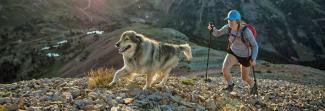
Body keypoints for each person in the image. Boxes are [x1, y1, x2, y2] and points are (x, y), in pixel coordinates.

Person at [208, 10, 258, 94]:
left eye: (231, 20)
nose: (229, 22)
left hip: (245, 55)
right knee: (225, 69)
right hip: (233, 52)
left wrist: (253, 58)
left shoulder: (246, 31)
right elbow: (217, 33)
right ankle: (230, 85)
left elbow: (255, 45)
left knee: (244, 78)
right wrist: (213, 29)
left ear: (237, 21)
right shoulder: (227, 27)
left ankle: (253, 85)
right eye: (228, 20)